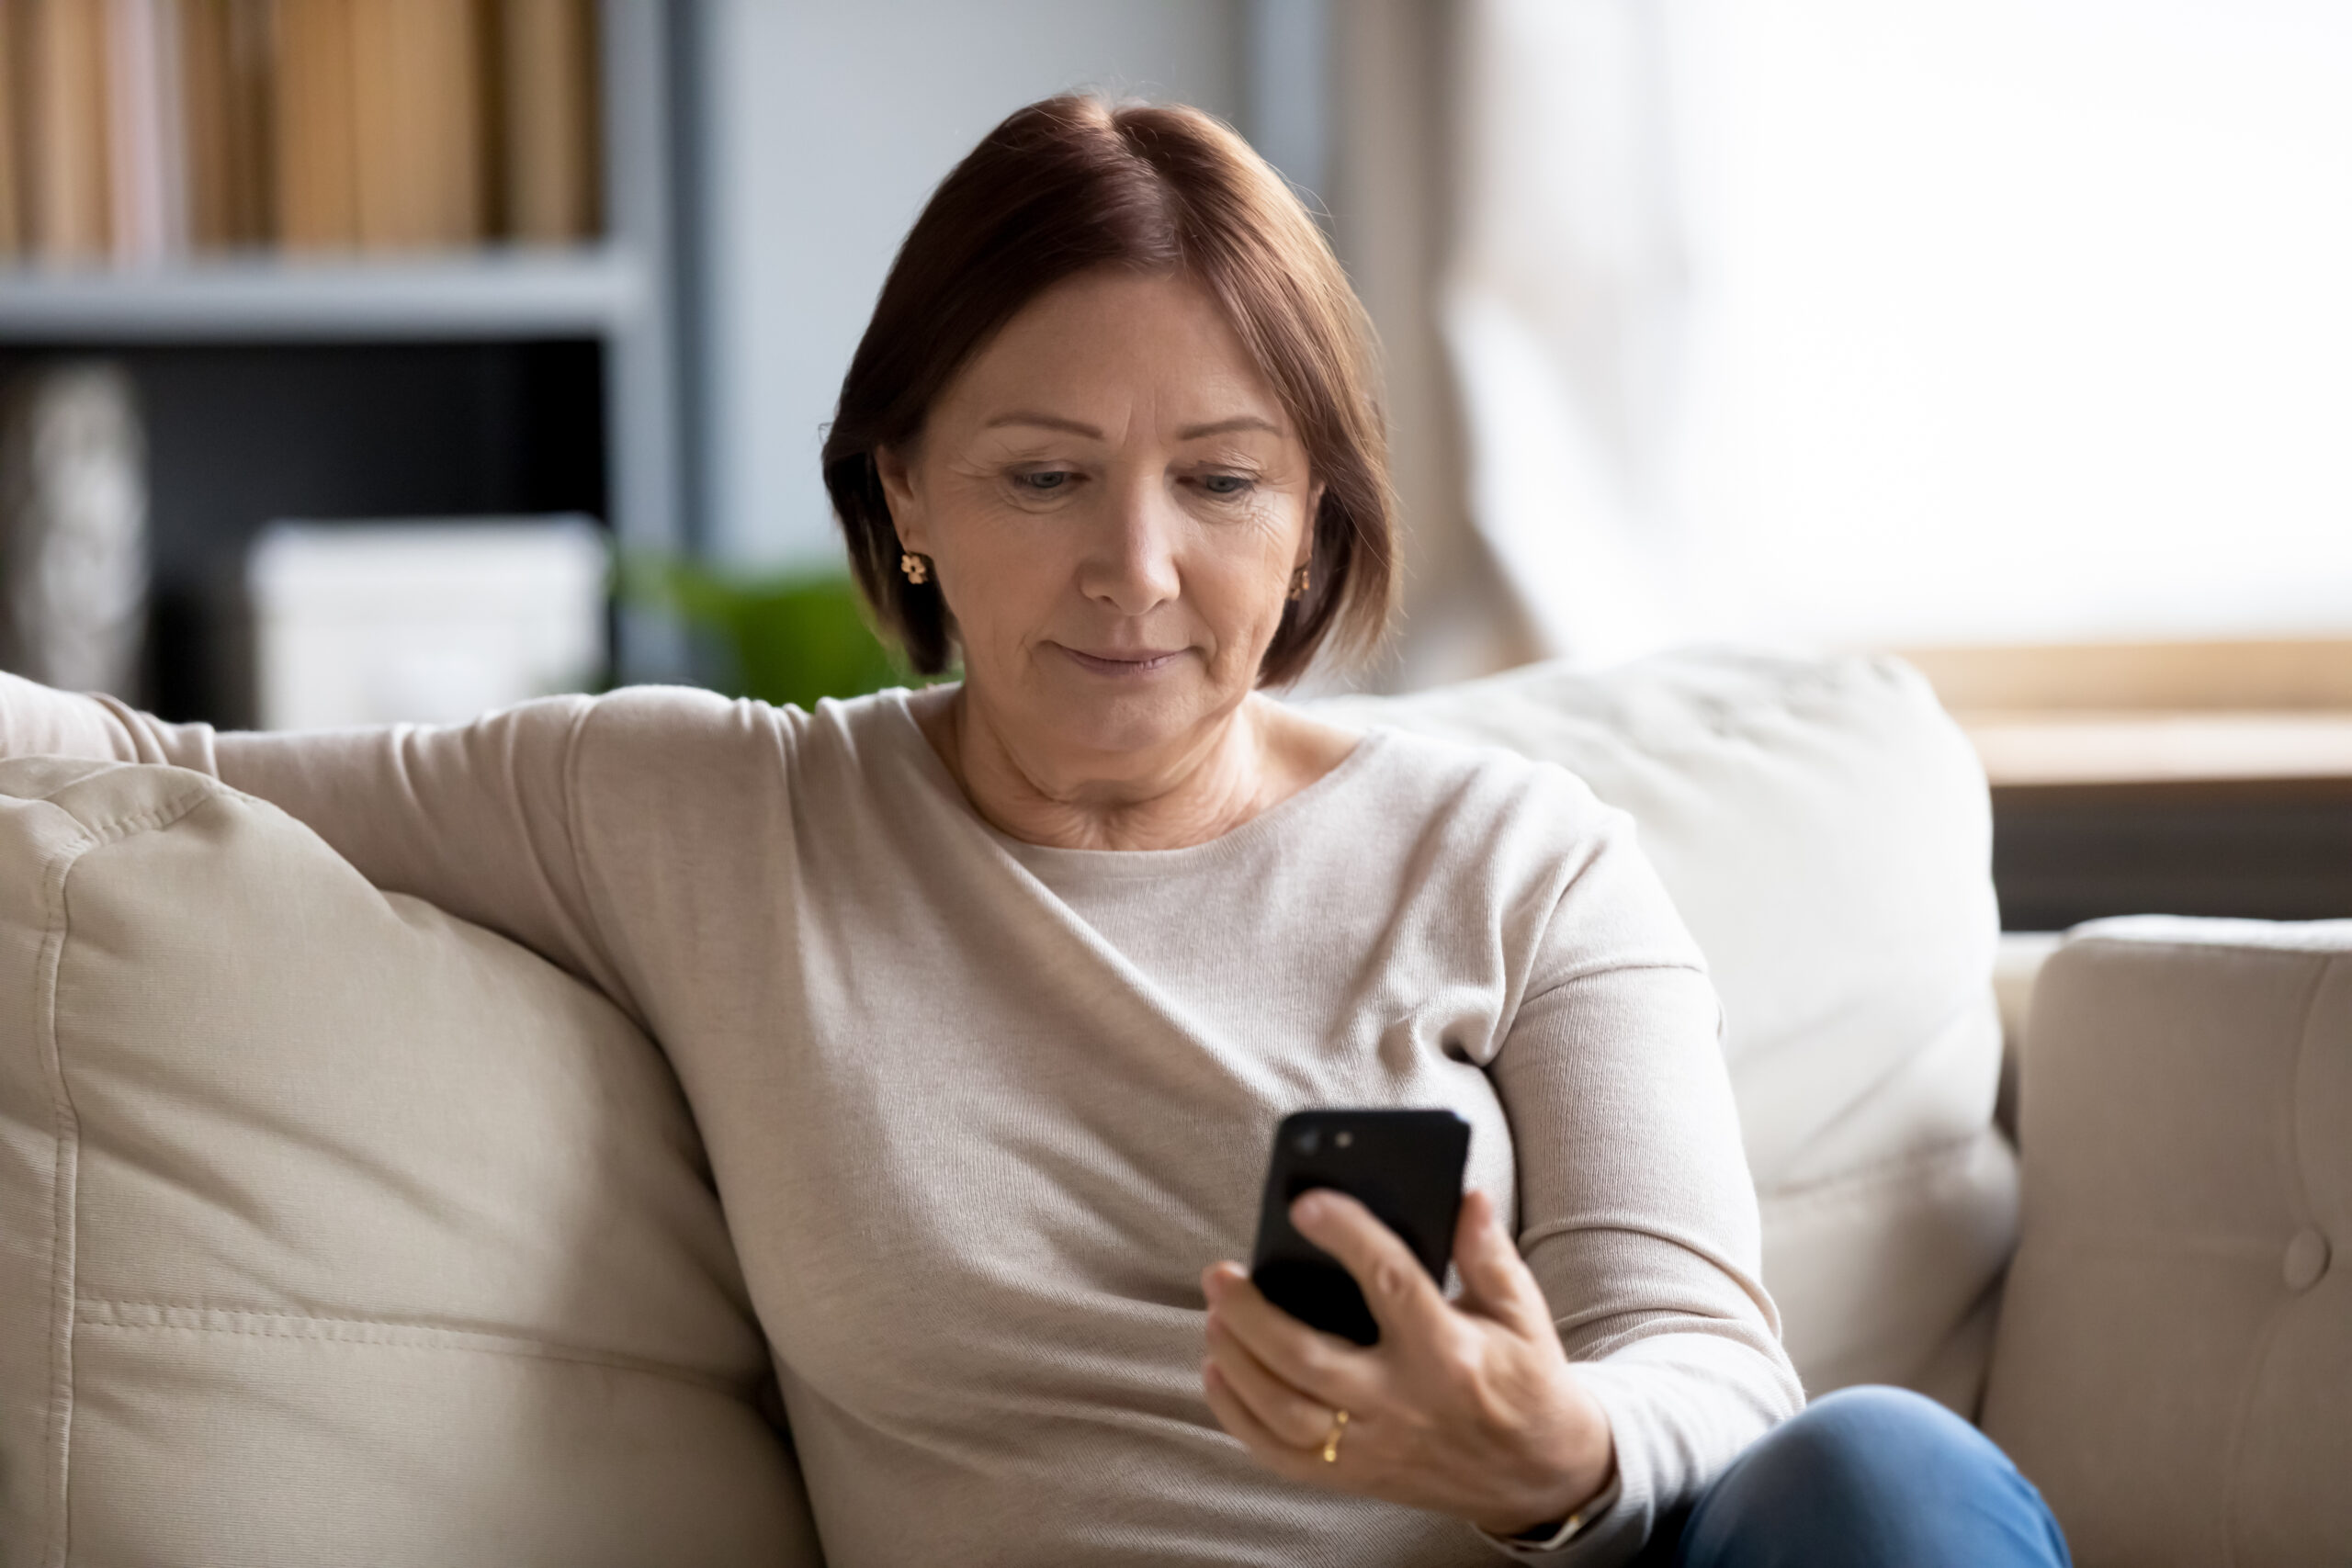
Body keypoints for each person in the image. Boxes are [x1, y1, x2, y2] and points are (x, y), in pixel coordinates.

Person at [0, 96, 2067, 1567]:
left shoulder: (1515, 857)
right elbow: (140, 754)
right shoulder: (714, 811)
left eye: (1224, 482)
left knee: (1875, 1471)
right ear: (901, 488)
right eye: (1043, 473)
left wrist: (1551, 1444)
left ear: (1319, 514)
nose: (1136, 571)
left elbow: (1712, 1360)